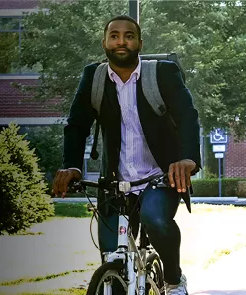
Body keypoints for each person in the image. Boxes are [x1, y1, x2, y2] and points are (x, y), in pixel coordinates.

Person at [51, 15, 201, 295]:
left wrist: (188, 158)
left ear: (139, 43)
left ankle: (173, 279)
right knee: (112, 258)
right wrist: (71, 165)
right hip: (114, 182)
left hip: (159, 176)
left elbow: (187, 116)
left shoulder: (162, 74)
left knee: (156, 220)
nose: (122, 41)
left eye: (129, 36)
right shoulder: (93, 78)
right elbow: (77, 125)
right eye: (115, 35)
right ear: (105, 42)